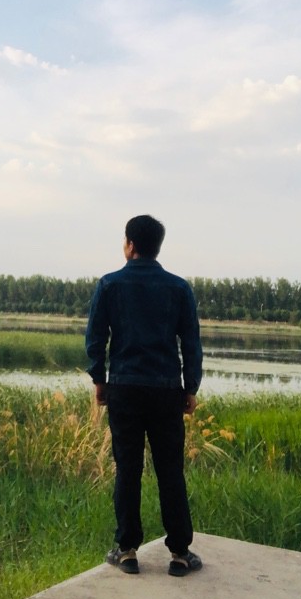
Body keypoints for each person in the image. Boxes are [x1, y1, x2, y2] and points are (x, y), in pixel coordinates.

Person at [85, 214, 203, 577]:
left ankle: (127, 551)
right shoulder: (178, 288)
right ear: (157, 247)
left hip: (124, 388)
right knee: (170, 470)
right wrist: (190, 387)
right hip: (166, 390)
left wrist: (99, 379)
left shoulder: (109, 285)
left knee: (128, 469)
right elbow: (191, 342)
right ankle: (180, 553)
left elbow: (96, 338)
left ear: (130, 244)